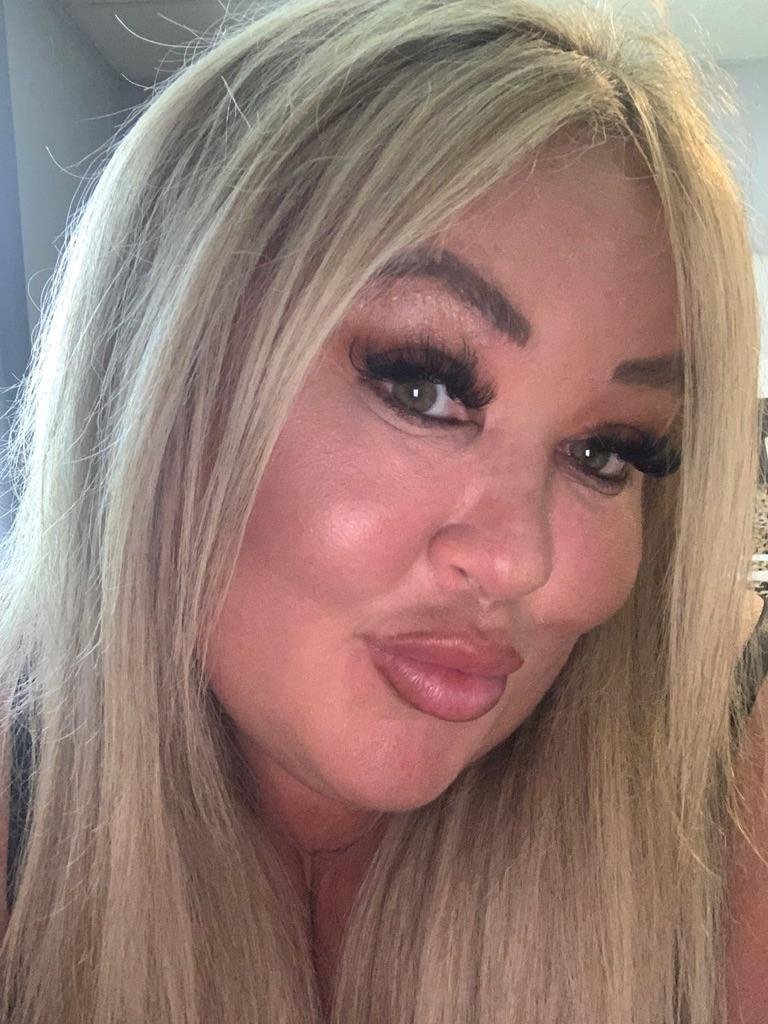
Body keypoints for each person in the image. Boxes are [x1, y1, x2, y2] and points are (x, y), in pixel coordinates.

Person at [0, 1, 765, 1021]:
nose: (521, 562)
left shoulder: (732, 771)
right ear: (159, 368)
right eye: (423, 386)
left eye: (605, 452)